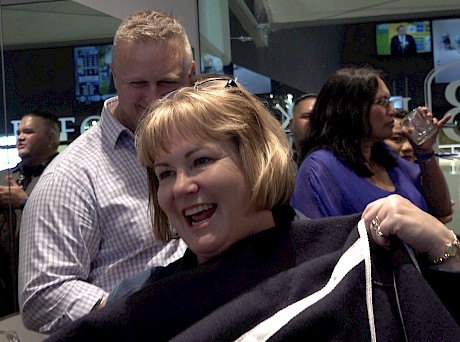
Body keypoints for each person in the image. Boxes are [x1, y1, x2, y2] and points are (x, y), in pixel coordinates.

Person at [45, 78, 459, 342]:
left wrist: (447, 252)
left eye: (201, 161)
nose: (181, 187)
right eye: (165, 173)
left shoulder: (351, 262)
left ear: (255, 159)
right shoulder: (137, 300)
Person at [18, 9, 195, 333]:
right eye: (138, 83)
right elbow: (42, 297)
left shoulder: (204, 148)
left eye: (167, 82)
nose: (154, 98)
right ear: (114, 75)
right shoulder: (70, 178)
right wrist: (147, 307)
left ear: (190, 75)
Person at [291, 66, 452, 221]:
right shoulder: (319, 169)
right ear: (352, 109)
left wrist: (425, 152)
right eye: (382, 102)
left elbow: (442, 209)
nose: (393, 110)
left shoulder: (387, 158)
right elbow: (322, 243)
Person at [0, 111, 60, 317]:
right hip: (5, 282)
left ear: (51, 138)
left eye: (28, 131)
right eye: (18, 132)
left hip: (48, 277)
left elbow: (64, 221)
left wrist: (25, 202)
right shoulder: (4, 178)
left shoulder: (65, 176)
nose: (20, 137)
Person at [289, 94, 317, 167]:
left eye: (318, 117)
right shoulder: (279, 167)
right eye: (306, 116)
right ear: (291, 125)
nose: (313, 121)